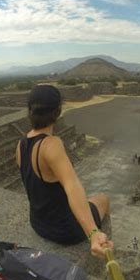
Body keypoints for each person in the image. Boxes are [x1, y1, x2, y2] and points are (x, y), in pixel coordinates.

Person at [16, 85, 113, 259]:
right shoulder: (51, 144)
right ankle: (103, 239)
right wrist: (92, 233)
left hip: (38, 223)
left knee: (89, 201)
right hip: (64, 230)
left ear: (30, 111)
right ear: (58, 111)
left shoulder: (21, 144)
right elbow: (72, 186)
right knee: (103, 199)